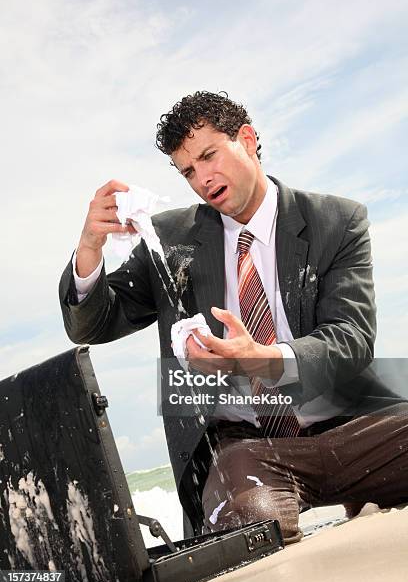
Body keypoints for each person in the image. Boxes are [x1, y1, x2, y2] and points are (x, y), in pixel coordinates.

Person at [59, 91, 408, 543]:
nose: (203, 178)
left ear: (246, 139)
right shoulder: (168, 239)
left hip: (350, 427)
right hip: (247, 450)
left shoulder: (337, 221)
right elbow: (94, 323)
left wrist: (265, 358)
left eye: (209, 155)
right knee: (249, 529)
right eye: (188, 170)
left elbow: (352, 337)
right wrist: (89, 248)